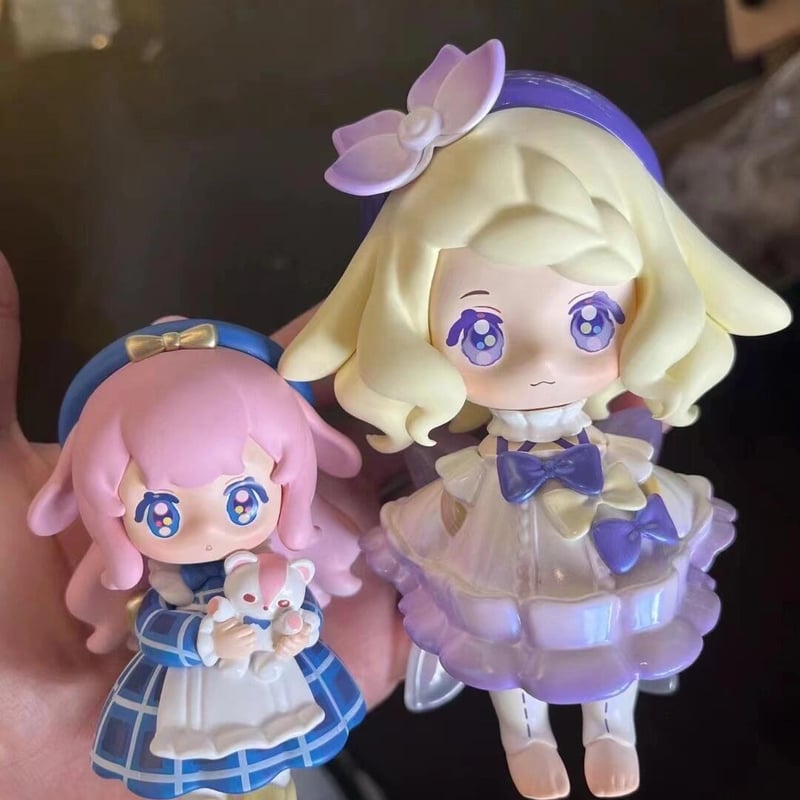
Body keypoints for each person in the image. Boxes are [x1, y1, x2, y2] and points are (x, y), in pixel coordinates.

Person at [278, 40, 791, 799]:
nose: (540, 362)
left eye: (590, 321)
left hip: (600, 502)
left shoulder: (621, 432)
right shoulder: (466, 448)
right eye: (480, 333)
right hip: (495, 526)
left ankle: (612, 731)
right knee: (497, 644)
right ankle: (525, 738)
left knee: (619, 632)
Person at [0, 254, 409, 800]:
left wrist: (300, 627)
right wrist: (205, 638)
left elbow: (298, 601)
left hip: (273, 680)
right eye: (161, 514)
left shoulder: (270, 561)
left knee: (282, 758)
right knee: (199, 771)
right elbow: (154, 629)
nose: (206, 531)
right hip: (193, 696)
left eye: (242, 502)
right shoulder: (169, 583)